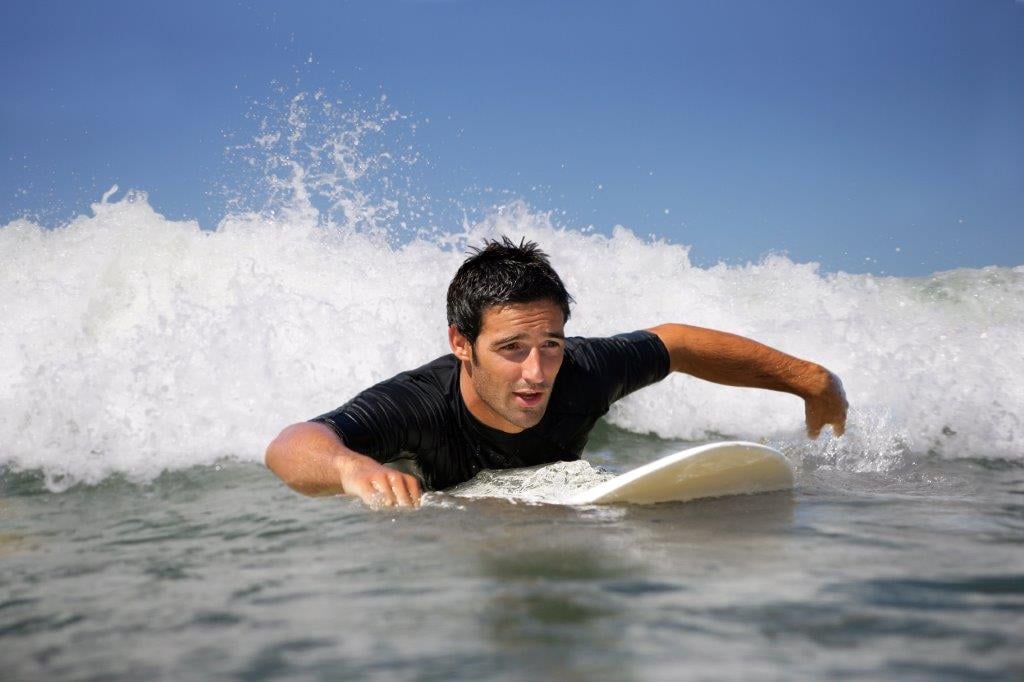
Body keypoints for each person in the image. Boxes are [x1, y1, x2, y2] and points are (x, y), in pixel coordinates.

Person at [266, 237, 847, 508]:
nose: (537, 370)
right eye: (512, 347)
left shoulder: (582, 370)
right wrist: (348, 467)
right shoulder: (419, 404)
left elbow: (675, 343)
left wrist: (806, 379)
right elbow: (291, 445)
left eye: (551, 343)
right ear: (461, 344)